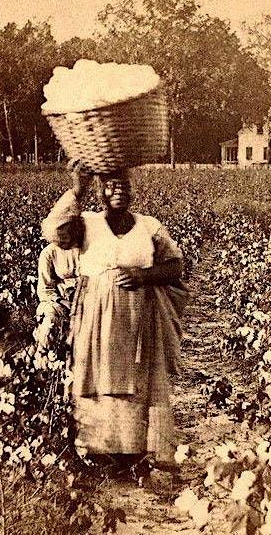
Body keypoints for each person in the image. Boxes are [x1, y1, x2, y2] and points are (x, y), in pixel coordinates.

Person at [42, 168, 186, 476]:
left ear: (133, 191)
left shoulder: (149, 226)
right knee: (97, 377)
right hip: (96, 316)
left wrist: (143, 275)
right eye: (109, 185)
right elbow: (54, 232)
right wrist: (76, 190)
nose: (118, 189)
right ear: (100, 192)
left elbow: (175, 266)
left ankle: (133, 452)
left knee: (136, 381)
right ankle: (99, 452)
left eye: (124, 185)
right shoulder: (87, 224)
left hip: (138, 317)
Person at [34, 212, 81, 351]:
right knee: (50, 323)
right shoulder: (49, 253)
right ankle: (46, 358)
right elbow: (45, 288)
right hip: (59, 301)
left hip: (85, 299)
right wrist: (63, 301)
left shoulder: (86, 249)